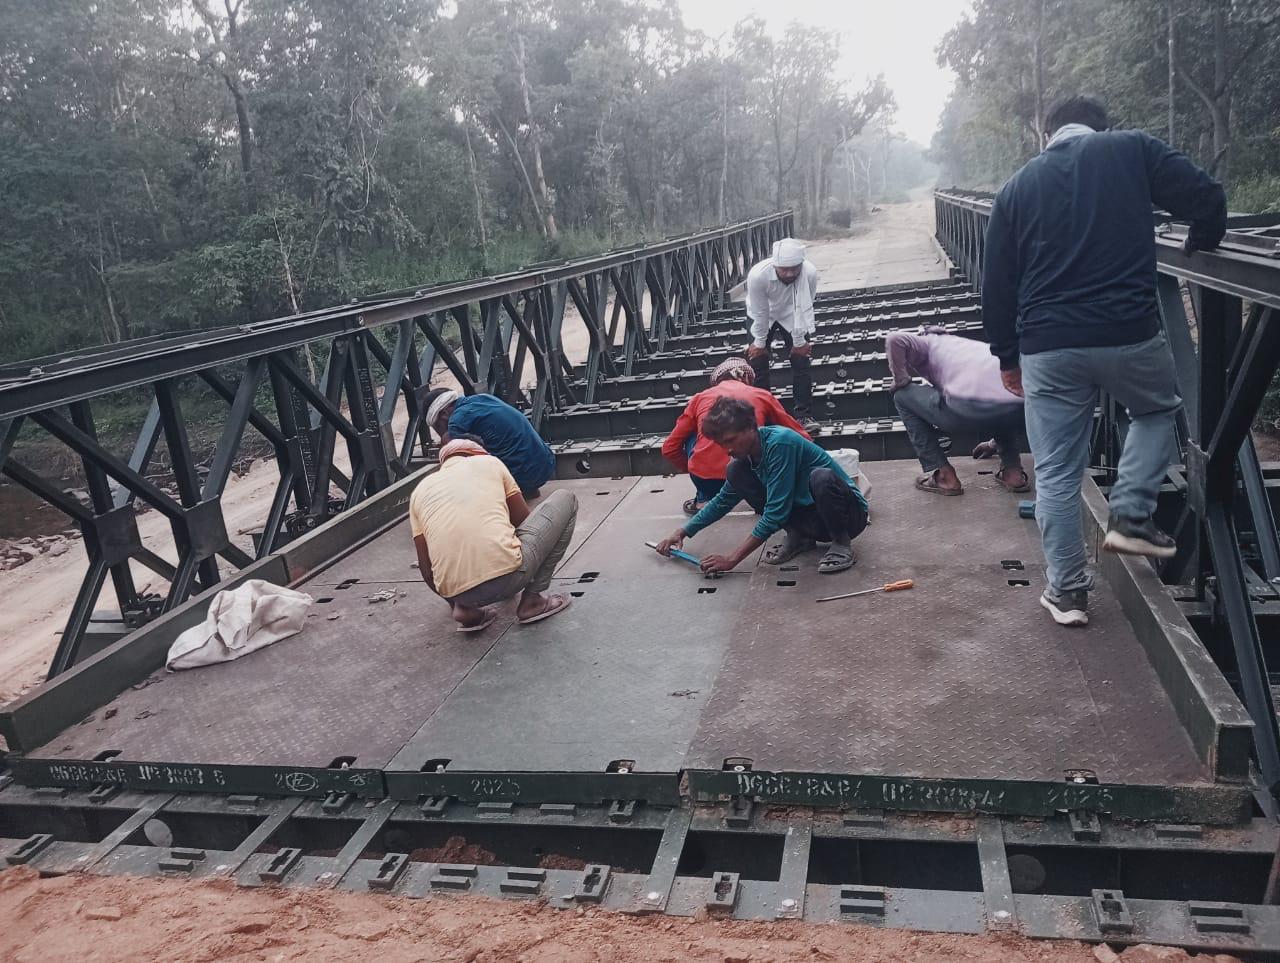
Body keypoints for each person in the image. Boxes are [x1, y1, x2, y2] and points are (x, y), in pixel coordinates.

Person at [982, 94, 1226, 627]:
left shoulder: (1017, 187)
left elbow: (995, 284)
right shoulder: (1131, 149)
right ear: (1101, 128)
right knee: (1157, 411)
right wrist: (1202, 238)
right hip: (1128, 333)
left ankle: (1068, 594)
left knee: (1055, 471)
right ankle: (1133, 513)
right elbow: (1205, 197)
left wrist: (1007, 357)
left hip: (1047, 347)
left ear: (1047, 135)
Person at [655, 398, 868, 575]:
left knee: (821, 478)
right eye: (722, 444)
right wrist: (683, 531)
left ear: (751, 428)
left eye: (731, 440)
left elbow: (776, 512)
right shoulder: (745, 459)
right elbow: (722, 501)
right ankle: (800, 537)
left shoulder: (780, 443)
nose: (727, 449)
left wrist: (732, 559)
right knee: (735, 470)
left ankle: (841, 544)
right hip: (812, 519)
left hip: (849, 517)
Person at [410, 437, 576, 632]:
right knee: (566, 499)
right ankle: (533, 601)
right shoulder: (490, 463)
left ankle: (464, 610)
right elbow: (525, 523)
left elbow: (426, 568)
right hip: (510, 577)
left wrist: (454, 601)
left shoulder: (420, 491)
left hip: (459, 594)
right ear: (478, 453)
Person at [661, 357, 813, 515]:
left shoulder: (700, 398)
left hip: (706, 478)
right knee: (766, 428)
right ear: (746, 377)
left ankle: (704, 498)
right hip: (752, 475)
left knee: (696, 432)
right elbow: (798, 436)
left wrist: (693, 468)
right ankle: (763, 497)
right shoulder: (761, 395)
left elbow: (669, 448)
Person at [887, 328, 1029, 496]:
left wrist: (901, 379)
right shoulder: (969, 347)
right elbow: (995, 397)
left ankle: (944, 476)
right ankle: (1013, 474)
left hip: (964, 408)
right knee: (1000, 400)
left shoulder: (927, 341)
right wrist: (993, 444)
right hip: (1020, 409)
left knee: (902, 396)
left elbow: (894, 339)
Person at [424, 388, 556, 499]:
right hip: (546, 464)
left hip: (523, 477)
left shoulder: (456, 422)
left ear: (444, 413)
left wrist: (446, 441)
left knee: (456, 454)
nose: (441, 431)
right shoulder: (483, 398)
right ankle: (528, 489)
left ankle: (515, 491)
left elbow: (459, 463)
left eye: (438, 426)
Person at [745, 237, 820, 429]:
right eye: (784, 269)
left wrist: (799, 341)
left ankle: (804, 416)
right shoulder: (758, 275)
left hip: (792, 313)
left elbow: (804, 307)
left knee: (801, 362)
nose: (789, 273)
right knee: (757, 364)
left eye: (794, 268)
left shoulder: (809, 273)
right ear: (775, 265)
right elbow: (761, 312)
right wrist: (760, 343)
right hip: (763, 314)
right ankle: (763, 416)